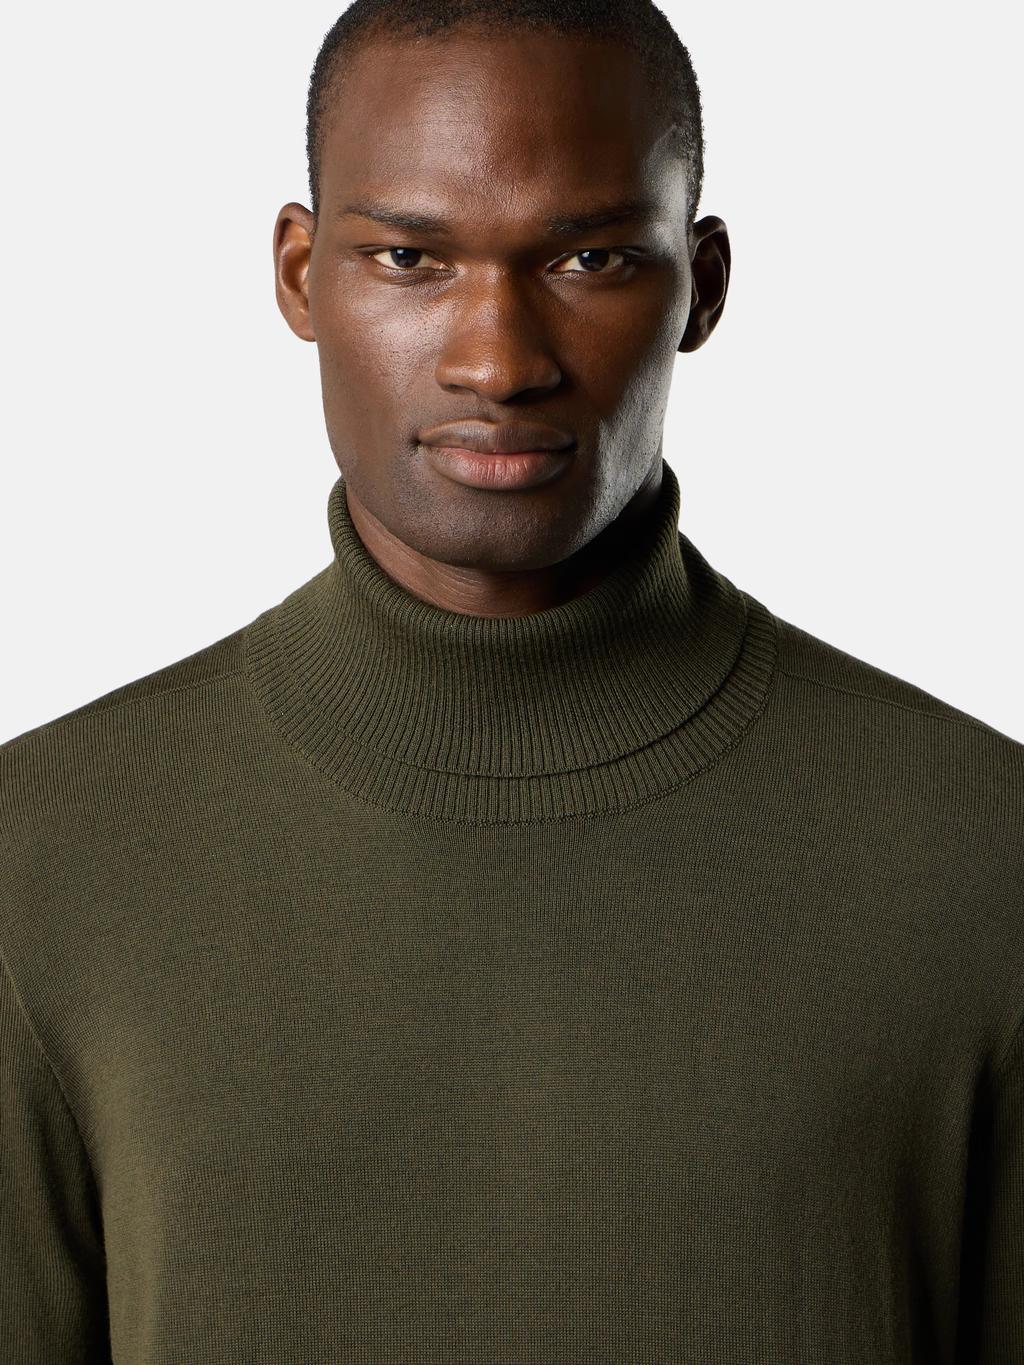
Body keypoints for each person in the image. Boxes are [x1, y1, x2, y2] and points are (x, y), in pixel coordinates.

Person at [2, 1, 1021, 1360]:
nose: (498, 360)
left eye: (591, 256)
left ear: (703, 285)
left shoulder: (982, 850)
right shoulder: (41, 857)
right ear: (301, 276)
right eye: (410, 257)